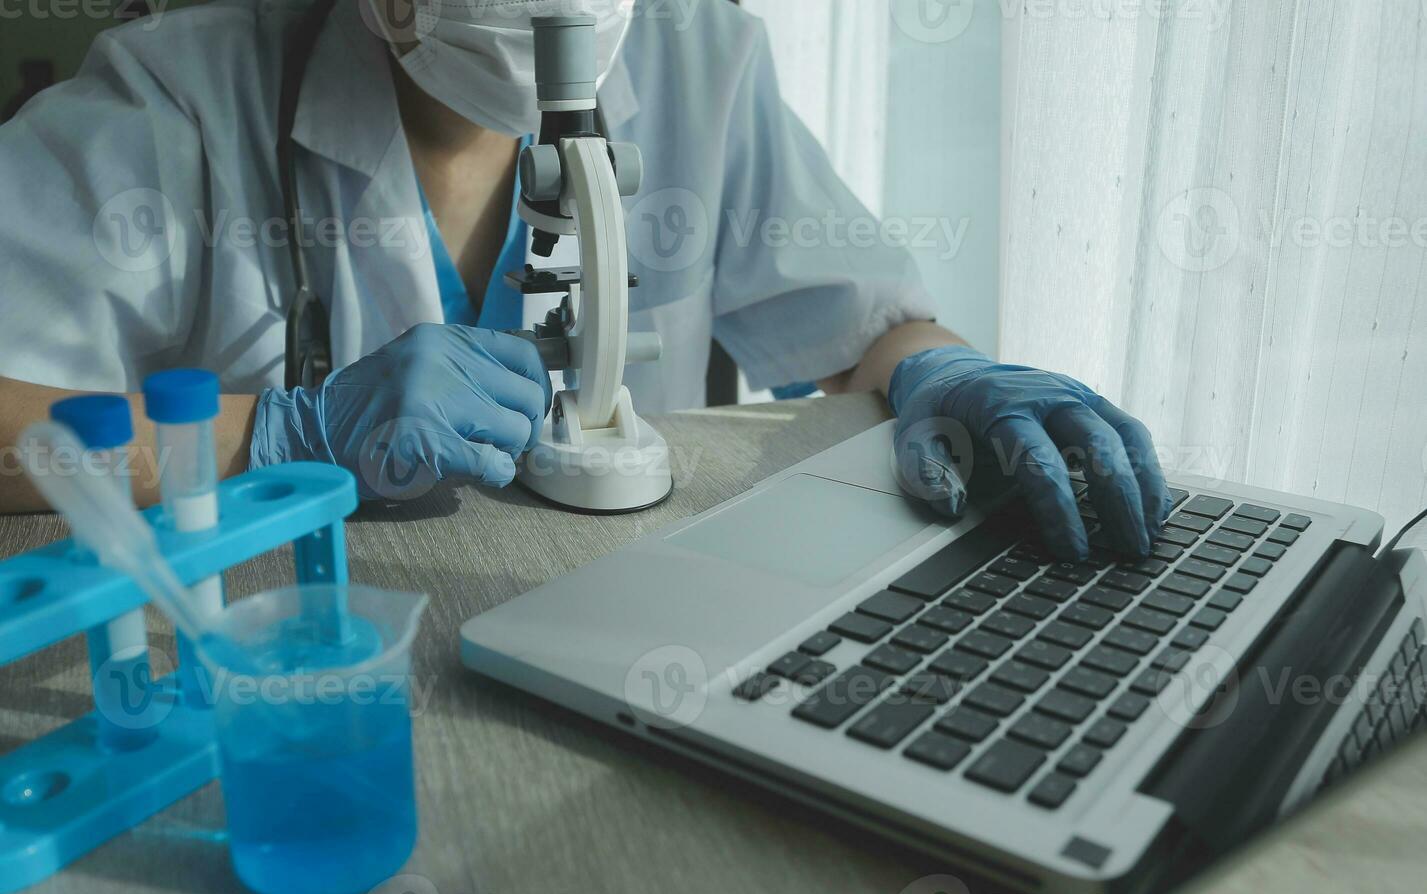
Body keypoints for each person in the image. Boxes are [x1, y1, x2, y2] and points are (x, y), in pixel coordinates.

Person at [0, 0, 1169, 560]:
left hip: (639, 655)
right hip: (309, 682)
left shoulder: (695, 55)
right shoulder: (177, 107)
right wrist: (275, 432)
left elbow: (862, 329)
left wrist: (945, 373)